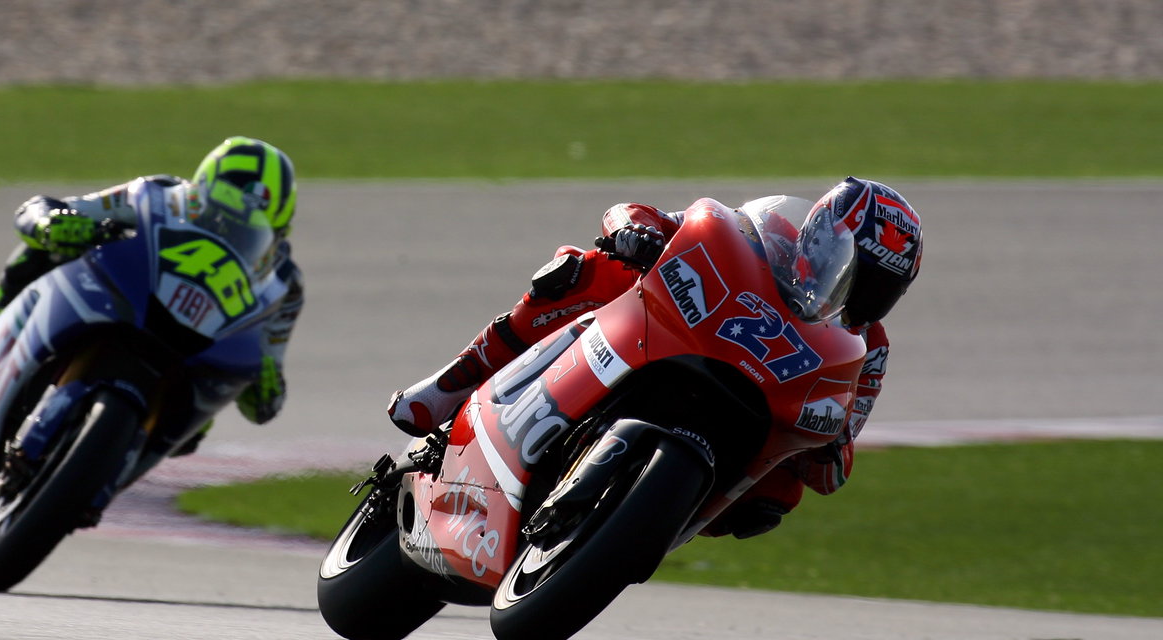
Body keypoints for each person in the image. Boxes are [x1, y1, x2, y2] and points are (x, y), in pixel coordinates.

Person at [385, 177, 922, 540]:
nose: (860, 292)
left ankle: (634, 527)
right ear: (821, 237)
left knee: (779, 494)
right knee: (589, 270)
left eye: (880, 288)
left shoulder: (865, 349)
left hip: (747, 410)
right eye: (857, 268)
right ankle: (453, 384)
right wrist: (633, 232)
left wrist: (829, 447)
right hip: (675, 336)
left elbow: (838, 459)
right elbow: (654, 217)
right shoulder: (773, 236)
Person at [0, 136, 303, 460]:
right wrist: (53, 223)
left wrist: (266, 385)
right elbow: (50, 209)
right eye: (218, 212)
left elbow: (266, 389)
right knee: (49, 251)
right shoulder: (161, 194)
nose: (226, 229)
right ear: (199, 192)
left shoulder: (285, 283)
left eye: (245, 224)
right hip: (132, 301)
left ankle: (106, 466)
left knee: (196, 433)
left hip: (194, 358)